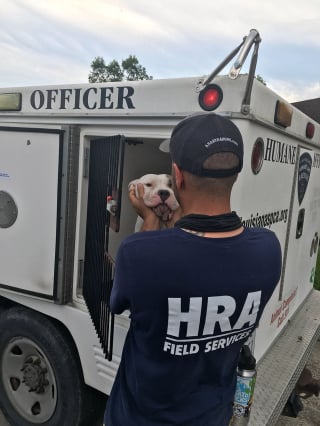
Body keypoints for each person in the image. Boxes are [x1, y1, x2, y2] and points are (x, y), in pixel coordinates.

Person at [104, 113, 282, 426]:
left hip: (139, 417)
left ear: (178, 176)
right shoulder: (268, 249)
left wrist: (148, 219)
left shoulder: (138, 253)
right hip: (212, 415)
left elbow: (120, 303)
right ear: (236, 175)